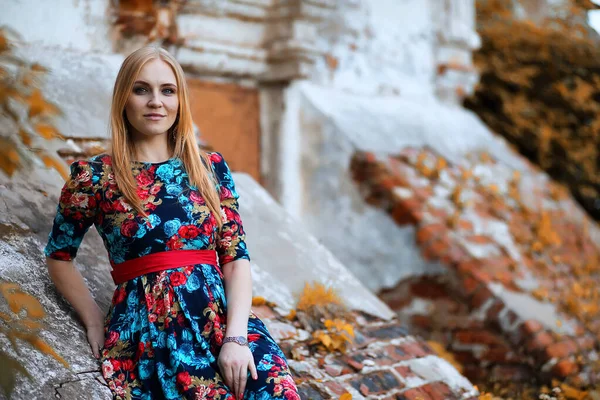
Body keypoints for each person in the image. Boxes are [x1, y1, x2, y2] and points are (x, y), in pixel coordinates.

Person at [44, 46, 299, 400]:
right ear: (123, 98)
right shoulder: (95, 177)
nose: (155, 102)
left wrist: (236, 338)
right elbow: (59, 255)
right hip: (152, 333)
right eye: (141, 89)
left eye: (168, 90)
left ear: (180, 100)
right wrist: (93, 319)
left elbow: (236, 257)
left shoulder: (209, 167)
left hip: (224, 323)